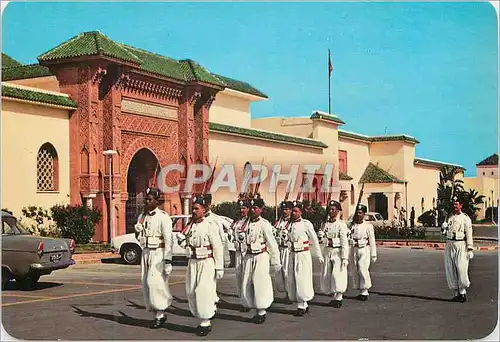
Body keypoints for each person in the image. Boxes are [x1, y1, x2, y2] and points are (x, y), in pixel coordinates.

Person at [176, 194, 224, 336]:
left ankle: (205, 322)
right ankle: (200, 314)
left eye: (197, 208)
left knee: (202, 291)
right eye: (193, 208)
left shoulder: (210, 226)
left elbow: (217, 247)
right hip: (193, 262)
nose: (194, 211)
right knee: (191, 290)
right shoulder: (190, 226)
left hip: (206, 262)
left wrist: (219, 267)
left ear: (204, 210)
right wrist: (182, 241)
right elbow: (187, 243)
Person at [134, 187, 174, 329]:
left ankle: (160, 313)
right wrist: (137, 231)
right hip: (146, 252)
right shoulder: (142, 217)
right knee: (145, 282)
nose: (147, 201)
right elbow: (139, 237)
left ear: (157, 201)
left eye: (150, 199)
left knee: (154, 282)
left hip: (158, 252)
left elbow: (169, 240)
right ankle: (156, 312)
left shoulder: (163, 217)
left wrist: (168, 260)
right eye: (146, 199)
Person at [240, 197, 281, 324]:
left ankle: (261, 311)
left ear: (261, 210)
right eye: (251, 208)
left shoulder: (264, 224)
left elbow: (272, 243)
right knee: (247, 282)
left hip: (261, 256)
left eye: (255, 208)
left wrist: (276, 261)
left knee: (260, 282)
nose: (252, 210)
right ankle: (250, 304)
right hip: (248, 256)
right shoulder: (245, 223)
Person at [286, 200, 323, 316]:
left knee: (302, 278)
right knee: (293, 278)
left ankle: (301, 305)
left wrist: (319, 254)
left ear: (301, 212)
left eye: (296, 211)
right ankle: (304, 303)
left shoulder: (306, 224)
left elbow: (314, 240)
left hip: (303, 254)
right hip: (293, 254)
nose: (293, 213)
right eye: (293, 211)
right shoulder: (289, 224)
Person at [441, 195, 474, 303]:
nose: (455, 206)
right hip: (450, 243)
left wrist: (470, 248)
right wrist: (443, 227)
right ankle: (456, 293)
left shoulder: (465, 218)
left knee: (461, 268)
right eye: (454, 204)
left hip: (461, 244)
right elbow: (444, 233)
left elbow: (469, 233)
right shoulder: (450, 217)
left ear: (461, 205)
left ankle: (463, 292)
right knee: (451, 269)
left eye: (457, 204)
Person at [319, 200, 349, 308]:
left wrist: (345, 257)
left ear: (337, 211)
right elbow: (322, 239)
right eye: (329, 209)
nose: (331, 211)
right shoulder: (325, 224)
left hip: (337, 252)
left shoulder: (341, 225)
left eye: (333, 209)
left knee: (337, 274)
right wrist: (321, 236)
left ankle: (339, 297)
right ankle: (334, 295)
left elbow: (344, 242)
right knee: (327, 274)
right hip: (327, 251)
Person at [349, 204, 377, 301]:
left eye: (360, 213)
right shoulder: (352, 225)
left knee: (362, 268)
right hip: (355, 249)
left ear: (364, 214)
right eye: (357, 213)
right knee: (355, 269)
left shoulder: (368, 226)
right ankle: (361, 290)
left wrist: (373, 254)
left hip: (364, 249)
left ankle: (365, 290)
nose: (358, 215)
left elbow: (372, 240)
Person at [231, 194, 251, 311]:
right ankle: (242, 300)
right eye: (240, 208)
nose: (241, 210)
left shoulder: (250, 222)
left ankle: (247, 301)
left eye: (244, 208)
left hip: (247, 252)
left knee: (246, 277)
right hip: (238, 252)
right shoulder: (237, 221)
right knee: (239, 276)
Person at [273, 200, 294, 304]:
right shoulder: (279, 221)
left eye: (287, 209)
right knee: (279, 272)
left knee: (287, 272)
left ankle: (290, 294)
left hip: (288, 249)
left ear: (291, 210)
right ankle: (286, 292)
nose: (284, 211)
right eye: (283, 209)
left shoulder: (293, 222)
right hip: (279, 248)